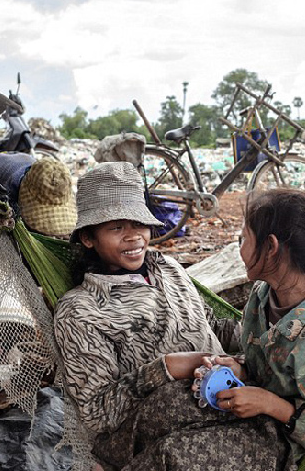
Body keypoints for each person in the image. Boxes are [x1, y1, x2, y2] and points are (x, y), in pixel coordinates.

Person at [99, 188, 305, 470]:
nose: (239, 249)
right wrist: (238, 368)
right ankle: (105, 461)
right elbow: (267, 358)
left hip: (288, 440)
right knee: (165, 404)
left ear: (271, 247)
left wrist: (271, 405)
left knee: (174, 455)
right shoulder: (263, 294)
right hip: (255, 401)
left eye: (244, 239)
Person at [52, 162, 239, 468]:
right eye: (116, 227)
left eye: (138, 223)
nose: (133, 237)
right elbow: (97, 413)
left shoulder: (168, 268)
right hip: (154, 435)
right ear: (88, 238)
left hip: (226, 397)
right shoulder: (80, 311)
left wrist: (263, 335)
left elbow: (211, 325)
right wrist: (166, 369)